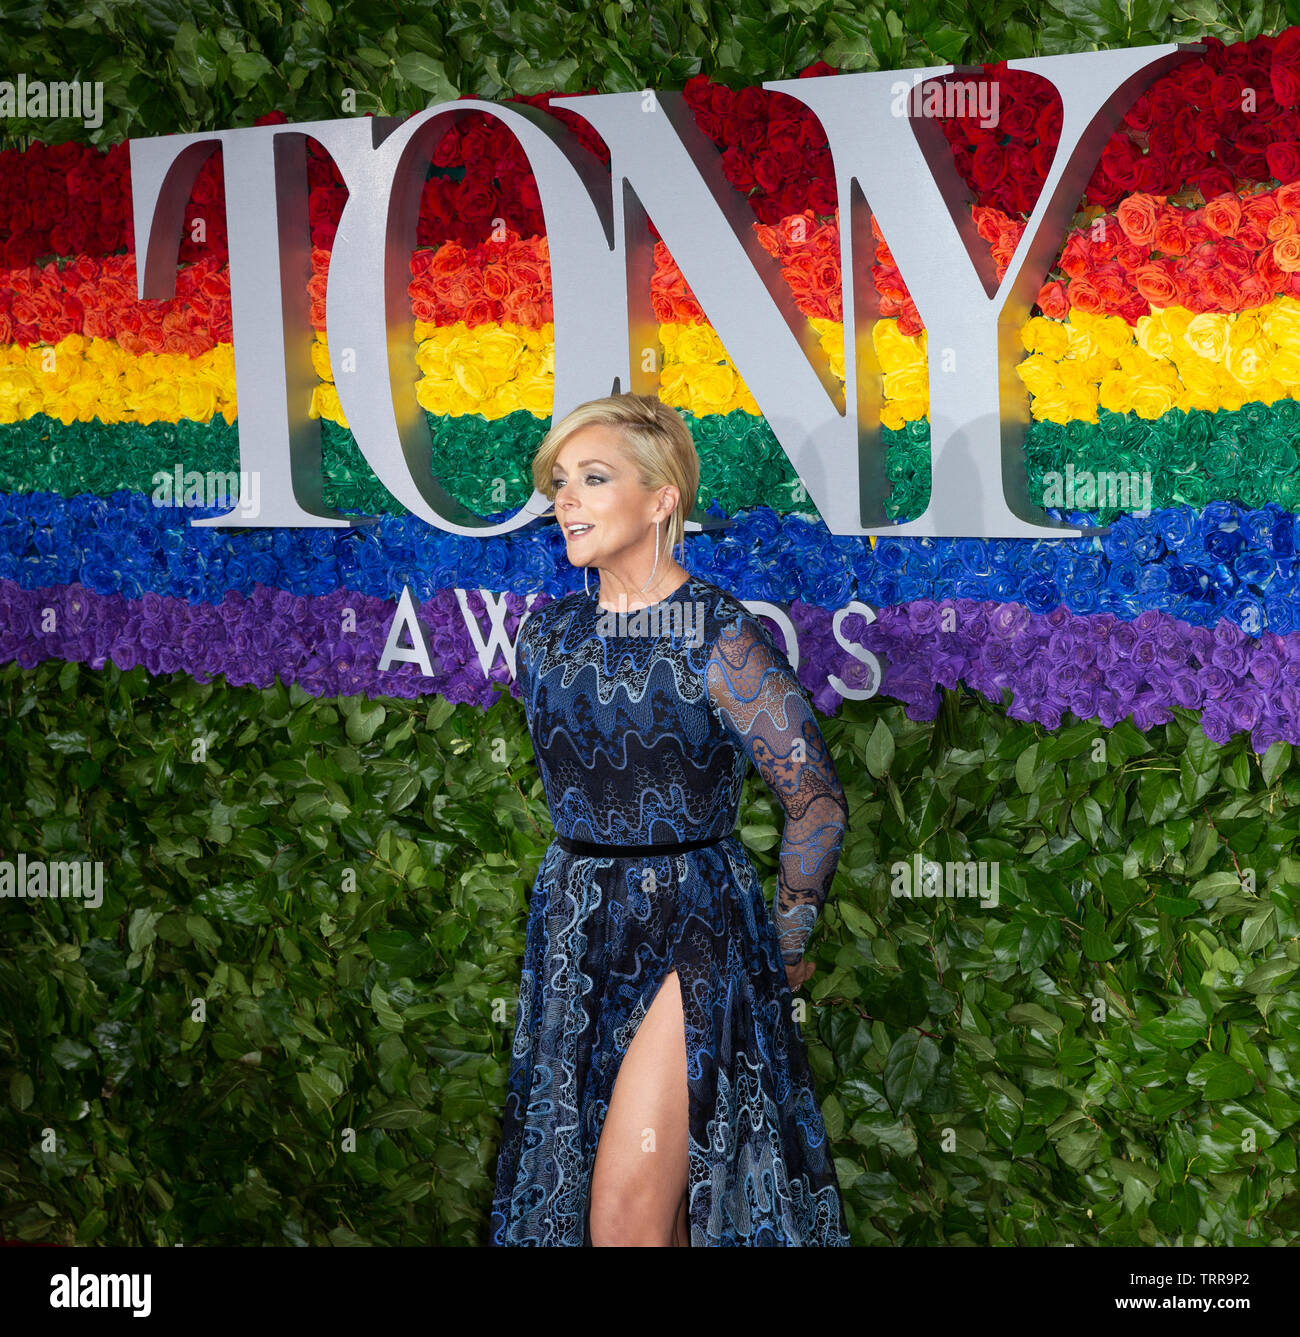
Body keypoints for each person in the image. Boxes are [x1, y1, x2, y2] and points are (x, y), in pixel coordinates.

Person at [490, 391, 851, 1246]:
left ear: (662, 499)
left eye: (593, 476)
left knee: (624, 1219)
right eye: (560, 481)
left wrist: (787, 943)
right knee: (621, 1208)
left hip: (688, 925)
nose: (565, 498)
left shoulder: (714, 634)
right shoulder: (546, 637)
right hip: (575, 925)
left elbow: (815, 799)